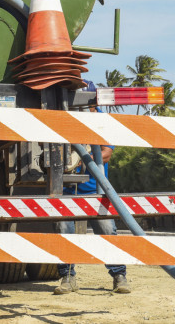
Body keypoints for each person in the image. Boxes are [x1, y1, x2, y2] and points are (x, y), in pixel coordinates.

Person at [54, 81, 130, 294]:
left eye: (85, 104)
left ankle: (119, 276)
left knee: (107, 231)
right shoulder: (66, 121)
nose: (83, 109)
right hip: (68, 190)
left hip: (95, 189)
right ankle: (67, 278)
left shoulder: (101, 122)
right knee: (63, 230)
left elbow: (106, 153)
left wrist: (81, 156)